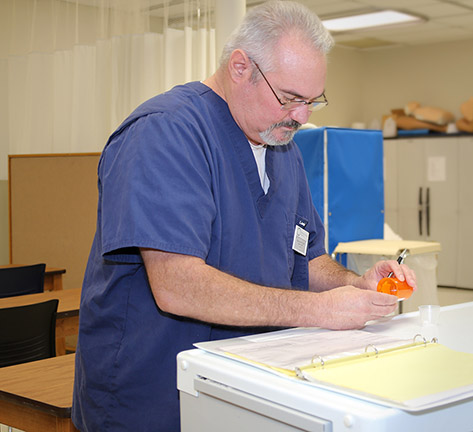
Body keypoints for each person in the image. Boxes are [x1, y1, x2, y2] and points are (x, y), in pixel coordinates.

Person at [72, 2, 416, 430]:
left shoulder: (281, 147)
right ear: (240, 68)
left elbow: (305, 261)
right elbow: (178, 286)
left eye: (313, 101)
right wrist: (320, 311)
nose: (302, 117)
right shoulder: (165, 133)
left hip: (243, 390)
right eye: (290, 98)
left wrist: (355, 285)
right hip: (155, 396)